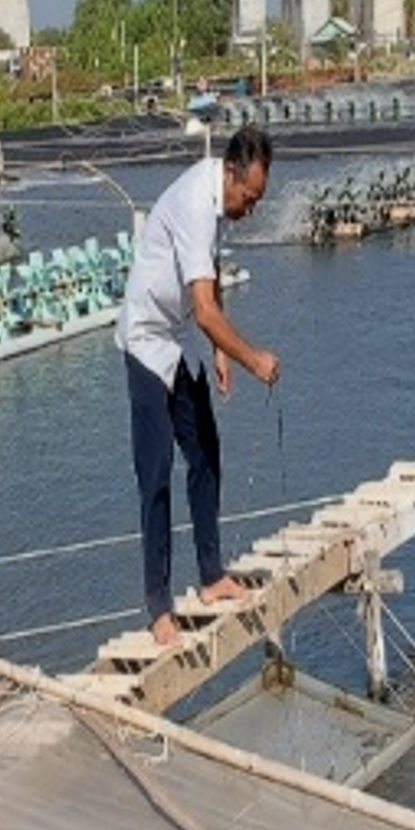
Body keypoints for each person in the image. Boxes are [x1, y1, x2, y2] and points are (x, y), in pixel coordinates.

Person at [117, 124, 282, 646]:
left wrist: (215, 349)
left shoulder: (217, 202)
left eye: (258, 201)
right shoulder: (194, 201)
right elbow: (207, 309)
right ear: (231, 172)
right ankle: (159, 606)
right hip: (146, 338)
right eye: (249, 197)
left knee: (205, 452)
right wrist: (251, 358)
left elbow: (207, 276)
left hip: (182, 335)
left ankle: (212, 577)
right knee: (157, 471)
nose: (250, 208)